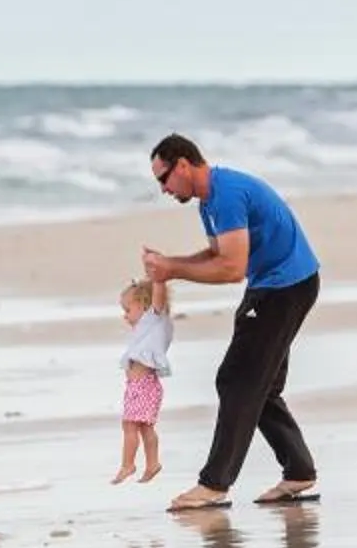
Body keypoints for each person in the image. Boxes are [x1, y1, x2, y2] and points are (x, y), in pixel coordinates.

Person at [141, 133, 322, 510]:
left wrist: (172, 268)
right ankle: (299, 471)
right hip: (281, 284)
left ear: (184, 165)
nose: (163, 189)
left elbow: (230, 269)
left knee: (237, 380)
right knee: (262, 385)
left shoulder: (225, 196)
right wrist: (170, 266)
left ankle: (214, 484)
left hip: (284, 287)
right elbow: (216, 252)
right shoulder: (209, 201)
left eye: (164, 178)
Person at [112, 277, 173, 483]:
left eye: (127, 310)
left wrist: (158, 278)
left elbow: (159, 298)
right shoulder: (145, 328)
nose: (125, 316)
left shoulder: (155, 318)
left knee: (130, 425)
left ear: (144, 305)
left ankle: (128, 465)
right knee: (144, 427)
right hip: (138, 386)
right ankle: (152, 463)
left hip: (144, 386)